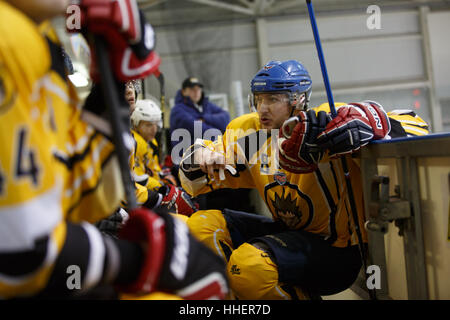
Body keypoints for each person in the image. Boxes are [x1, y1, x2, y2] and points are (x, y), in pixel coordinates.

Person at [0, 0, 228, 300]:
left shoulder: (38, 36)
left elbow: (86, 191)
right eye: (149, 123)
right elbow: (22, 255)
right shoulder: (11, 36)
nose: (153, 127)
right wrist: (137, 258)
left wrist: (112, 82)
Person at [179, 60, 429, 300]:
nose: (262, 108)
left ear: (299, 100)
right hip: (289, 234)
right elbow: (192, 181)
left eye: (272, 99)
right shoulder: (253, 134)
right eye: (258, 99)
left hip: (336, 251)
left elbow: (417, 125)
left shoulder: (325, 124)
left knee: (249, 266)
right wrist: (199, 154)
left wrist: (371, 120)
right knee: (200, 226)